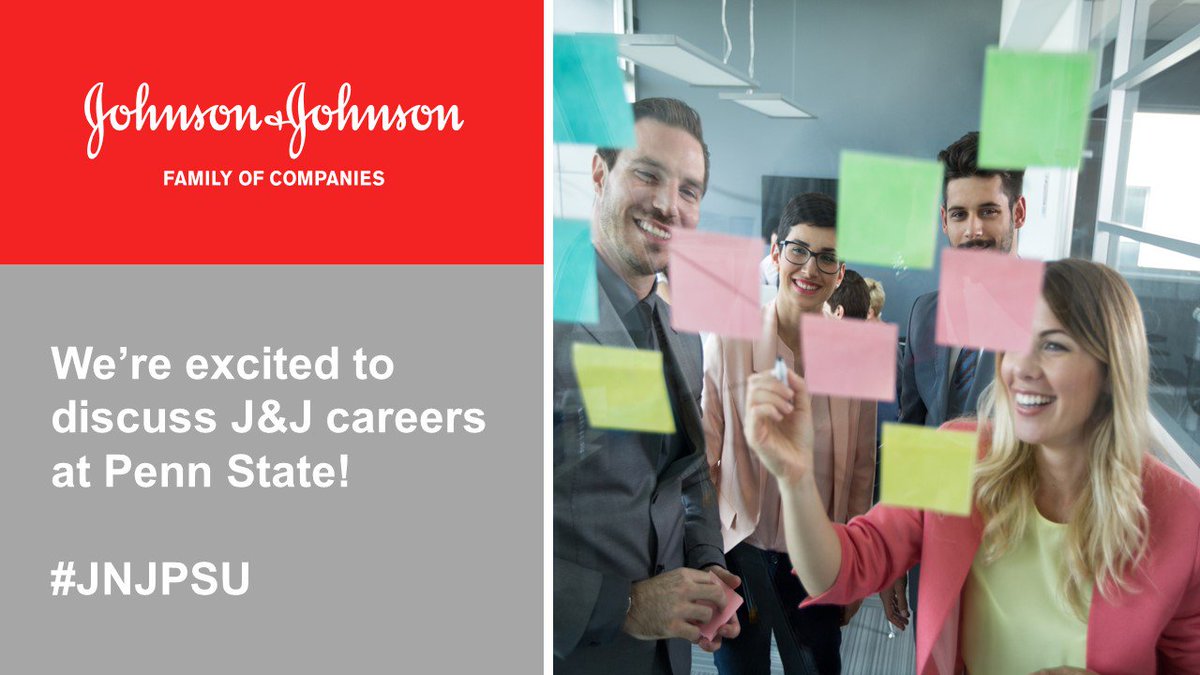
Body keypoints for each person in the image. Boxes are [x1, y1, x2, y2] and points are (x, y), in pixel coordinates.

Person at [742, 258, 1200, 674]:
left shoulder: (1184, 516)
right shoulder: (954, 447)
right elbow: (842, 567)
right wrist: (795, 479)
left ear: (1110, 370)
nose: (1021, 368)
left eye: (1053, 346)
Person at [553, 97, 740, 675]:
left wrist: (706, 559)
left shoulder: (681, 332)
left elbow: (686, 474)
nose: (668, 204)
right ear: (599, 174)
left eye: (689, 190)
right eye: (648, 174)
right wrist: (627, 605)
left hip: (666, 654)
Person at [703, 193, 876, 675]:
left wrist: (857, 572)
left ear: (840, 272)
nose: (810, 268)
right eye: (799, 250)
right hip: (741, 550)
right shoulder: (730, 339)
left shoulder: (856, 357)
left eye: (827, 257)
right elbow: (704, 462)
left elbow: (862, 473)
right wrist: (704, 556)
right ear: (776, 253)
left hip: (818, 558)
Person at [891, 131, 1028, 629]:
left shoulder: (1053, 316)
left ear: (1018, 213)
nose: (974, 231)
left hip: (1015, 559)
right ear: (943, 221)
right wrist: (896, 551)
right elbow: (913, 432)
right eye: (959, 214)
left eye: (989, 211)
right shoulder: (925, 313)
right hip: (932, 550)